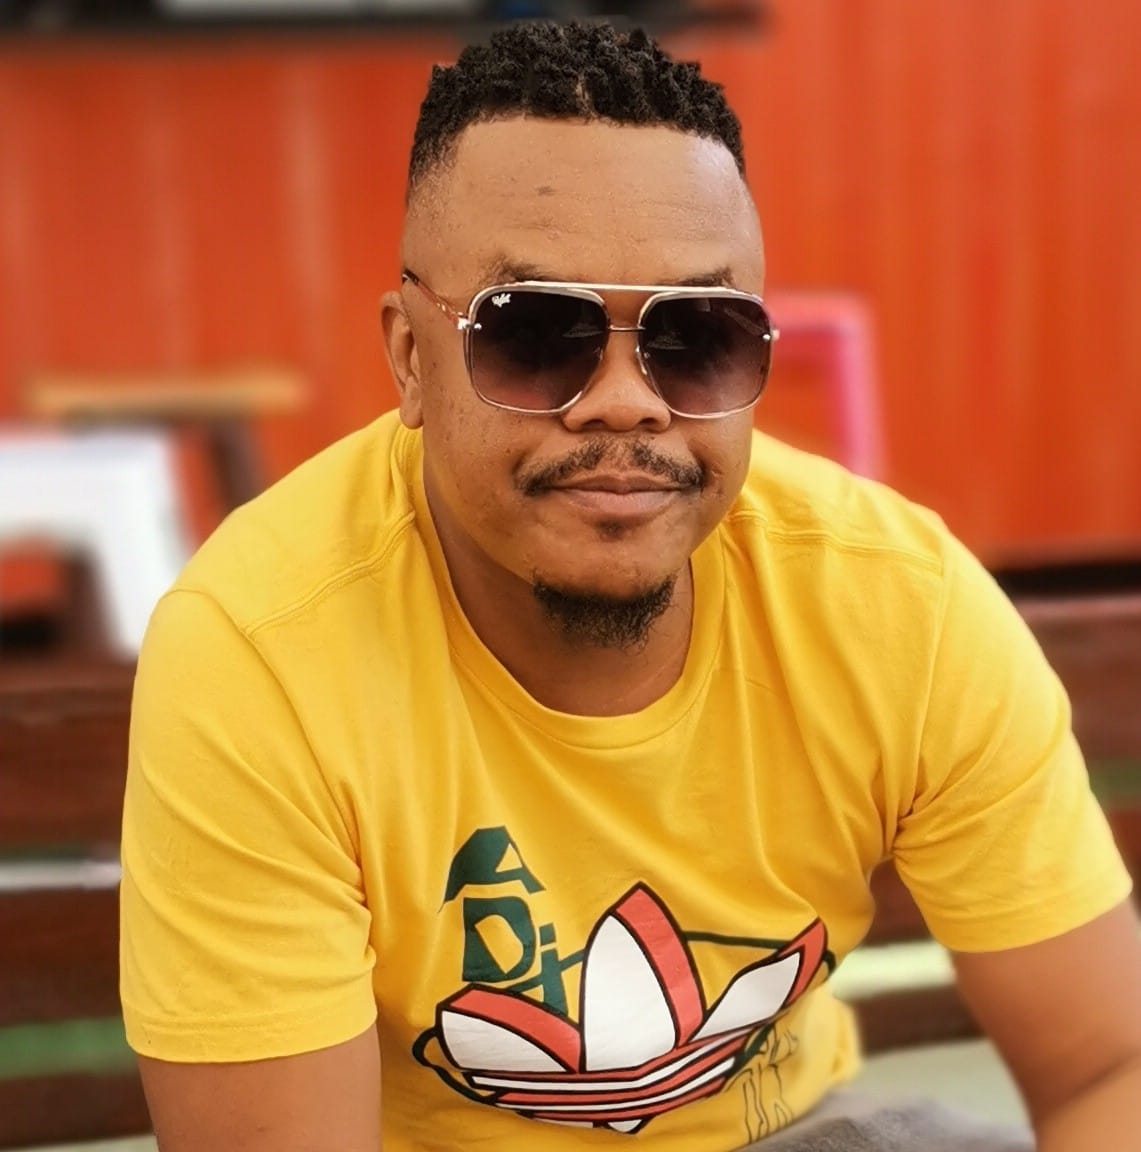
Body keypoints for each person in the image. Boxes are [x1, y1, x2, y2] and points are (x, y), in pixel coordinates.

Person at [119, 20, 1140, 1152]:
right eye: (535, 335)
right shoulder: (260, 652)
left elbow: (1107, 1065)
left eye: (695, 336)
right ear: (409, 357)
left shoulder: (898, 604)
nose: (625, 400)